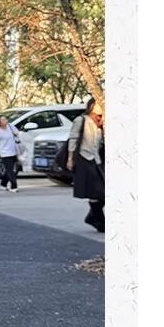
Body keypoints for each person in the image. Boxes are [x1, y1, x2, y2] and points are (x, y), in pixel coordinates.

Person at [67, 97, 105, 232]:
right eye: (98, 105)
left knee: (102, 192)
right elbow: (73, 139)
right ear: (91, 106)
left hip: (97, 159)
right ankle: (100, 222)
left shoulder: (101, 122)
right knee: (95, 191)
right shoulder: (81, 120)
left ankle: (92, 217)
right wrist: (70, 158)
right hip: (84, 158)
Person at [0, 114, 21, 192]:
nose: (5, 121)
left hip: (14, 151)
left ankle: (3, 183)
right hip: (5, 153)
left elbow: (18, 134)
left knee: (13, 170)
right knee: (10, 170)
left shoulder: (10, 127)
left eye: (6, 119)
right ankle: (14, 187)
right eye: (3, 120)